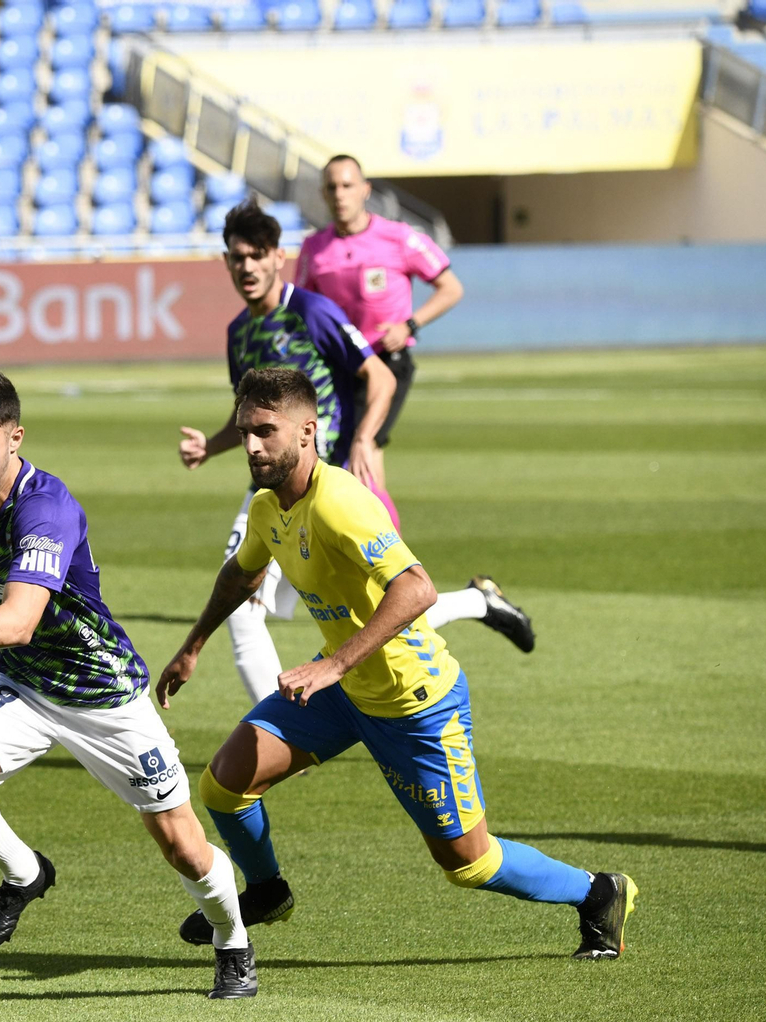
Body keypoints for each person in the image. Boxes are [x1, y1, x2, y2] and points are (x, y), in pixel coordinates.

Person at [157, 367, 637, 962]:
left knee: (470, 863)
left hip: (415, 701)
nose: (251, 446)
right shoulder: (266, 507)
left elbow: (417, 589)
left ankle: (597, 893)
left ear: (307, 432)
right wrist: (194, 643)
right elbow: (243, 571)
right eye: (244, 430)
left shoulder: (340, 504)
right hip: (344, 689)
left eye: (265, 431)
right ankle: (267, 892)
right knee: (225, 783)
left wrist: (332, 665)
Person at [0, 372, 257, 999]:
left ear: (15, 437)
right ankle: (25, 873)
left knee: (182, 846)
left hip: (103, 693)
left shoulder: (48, 509)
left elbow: (16, 622)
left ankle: (232, 943)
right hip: (27, 684)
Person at [180, 200, 532, 706]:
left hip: (330, 482)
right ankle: (480, 601)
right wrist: (210, 448)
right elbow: (254, 418)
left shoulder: (313, 313)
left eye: (258, 255)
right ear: (227, 262)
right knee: (313, 610)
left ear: (279, 256)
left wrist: (365, 438)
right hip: (272, 490)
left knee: (354, 611)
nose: (248, 267)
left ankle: (278, 738)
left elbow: (380, 377)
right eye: (238, 257)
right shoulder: (240, 332)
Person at [296, 157, 518, 644]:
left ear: (365, 189)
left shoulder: (398, 237)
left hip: (386, 369)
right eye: (331, 186)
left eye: (348, 184)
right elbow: (305, 310)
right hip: (339, 375)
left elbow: (450, 286)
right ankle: (381, 574)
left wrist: (411, 325)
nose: (339, 193)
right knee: (341, 472)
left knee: (363, 453)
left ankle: (397, 575)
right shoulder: (315, 248)